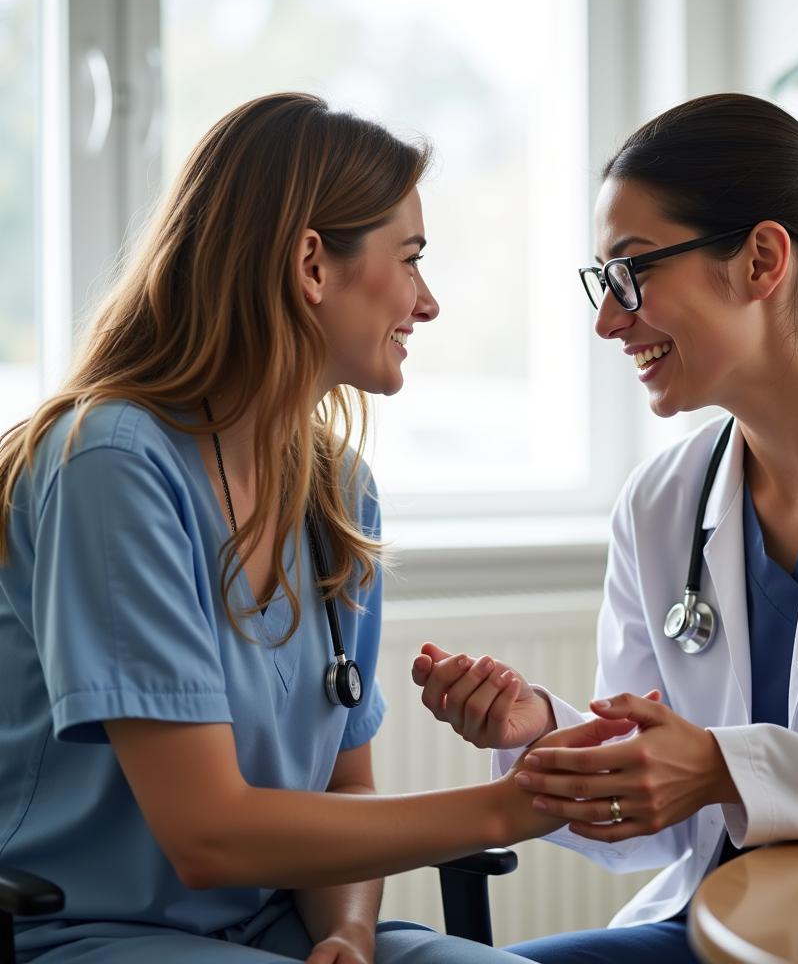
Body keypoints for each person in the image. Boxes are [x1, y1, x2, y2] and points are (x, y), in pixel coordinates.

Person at [0, 92, 617, 964]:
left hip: (277, 932)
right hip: (89, 935)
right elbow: (206, 834)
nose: (428, 302)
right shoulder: (108, 463)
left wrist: (349, 931)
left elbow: (345, 787)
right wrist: (516, 804)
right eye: (410, 260)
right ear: (312, 265)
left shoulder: (335, 491)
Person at [412, 92, 798, 962]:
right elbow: (660, 824)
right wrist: (543, 731)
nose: (606, 320)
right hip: (712, 924)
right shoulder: (662, 501)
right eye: (602, 280)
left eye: (633, 272)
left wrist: (726, 767)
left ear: (761, 260)